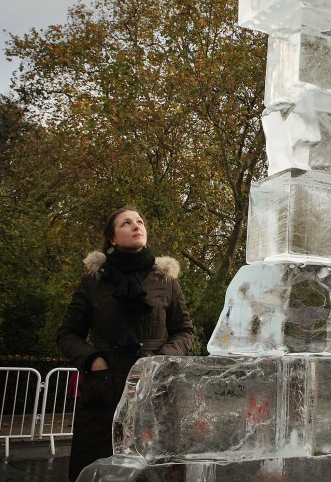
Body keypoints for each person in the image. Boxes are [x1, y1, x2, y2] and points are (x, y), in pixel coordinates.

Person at [57, 206, 194, 480]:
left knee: (155, 468)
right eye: (126, 223)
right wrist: (93, 361)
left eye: (140, 221)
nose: (136, 226)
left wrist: (161, 361)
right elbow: (67, 334)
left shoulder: (165, 280)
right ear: (112, 239)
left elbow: (185, 332)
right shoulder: (94, 281)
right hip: (105, 388)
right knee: (97, 467)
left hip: (154, 386)